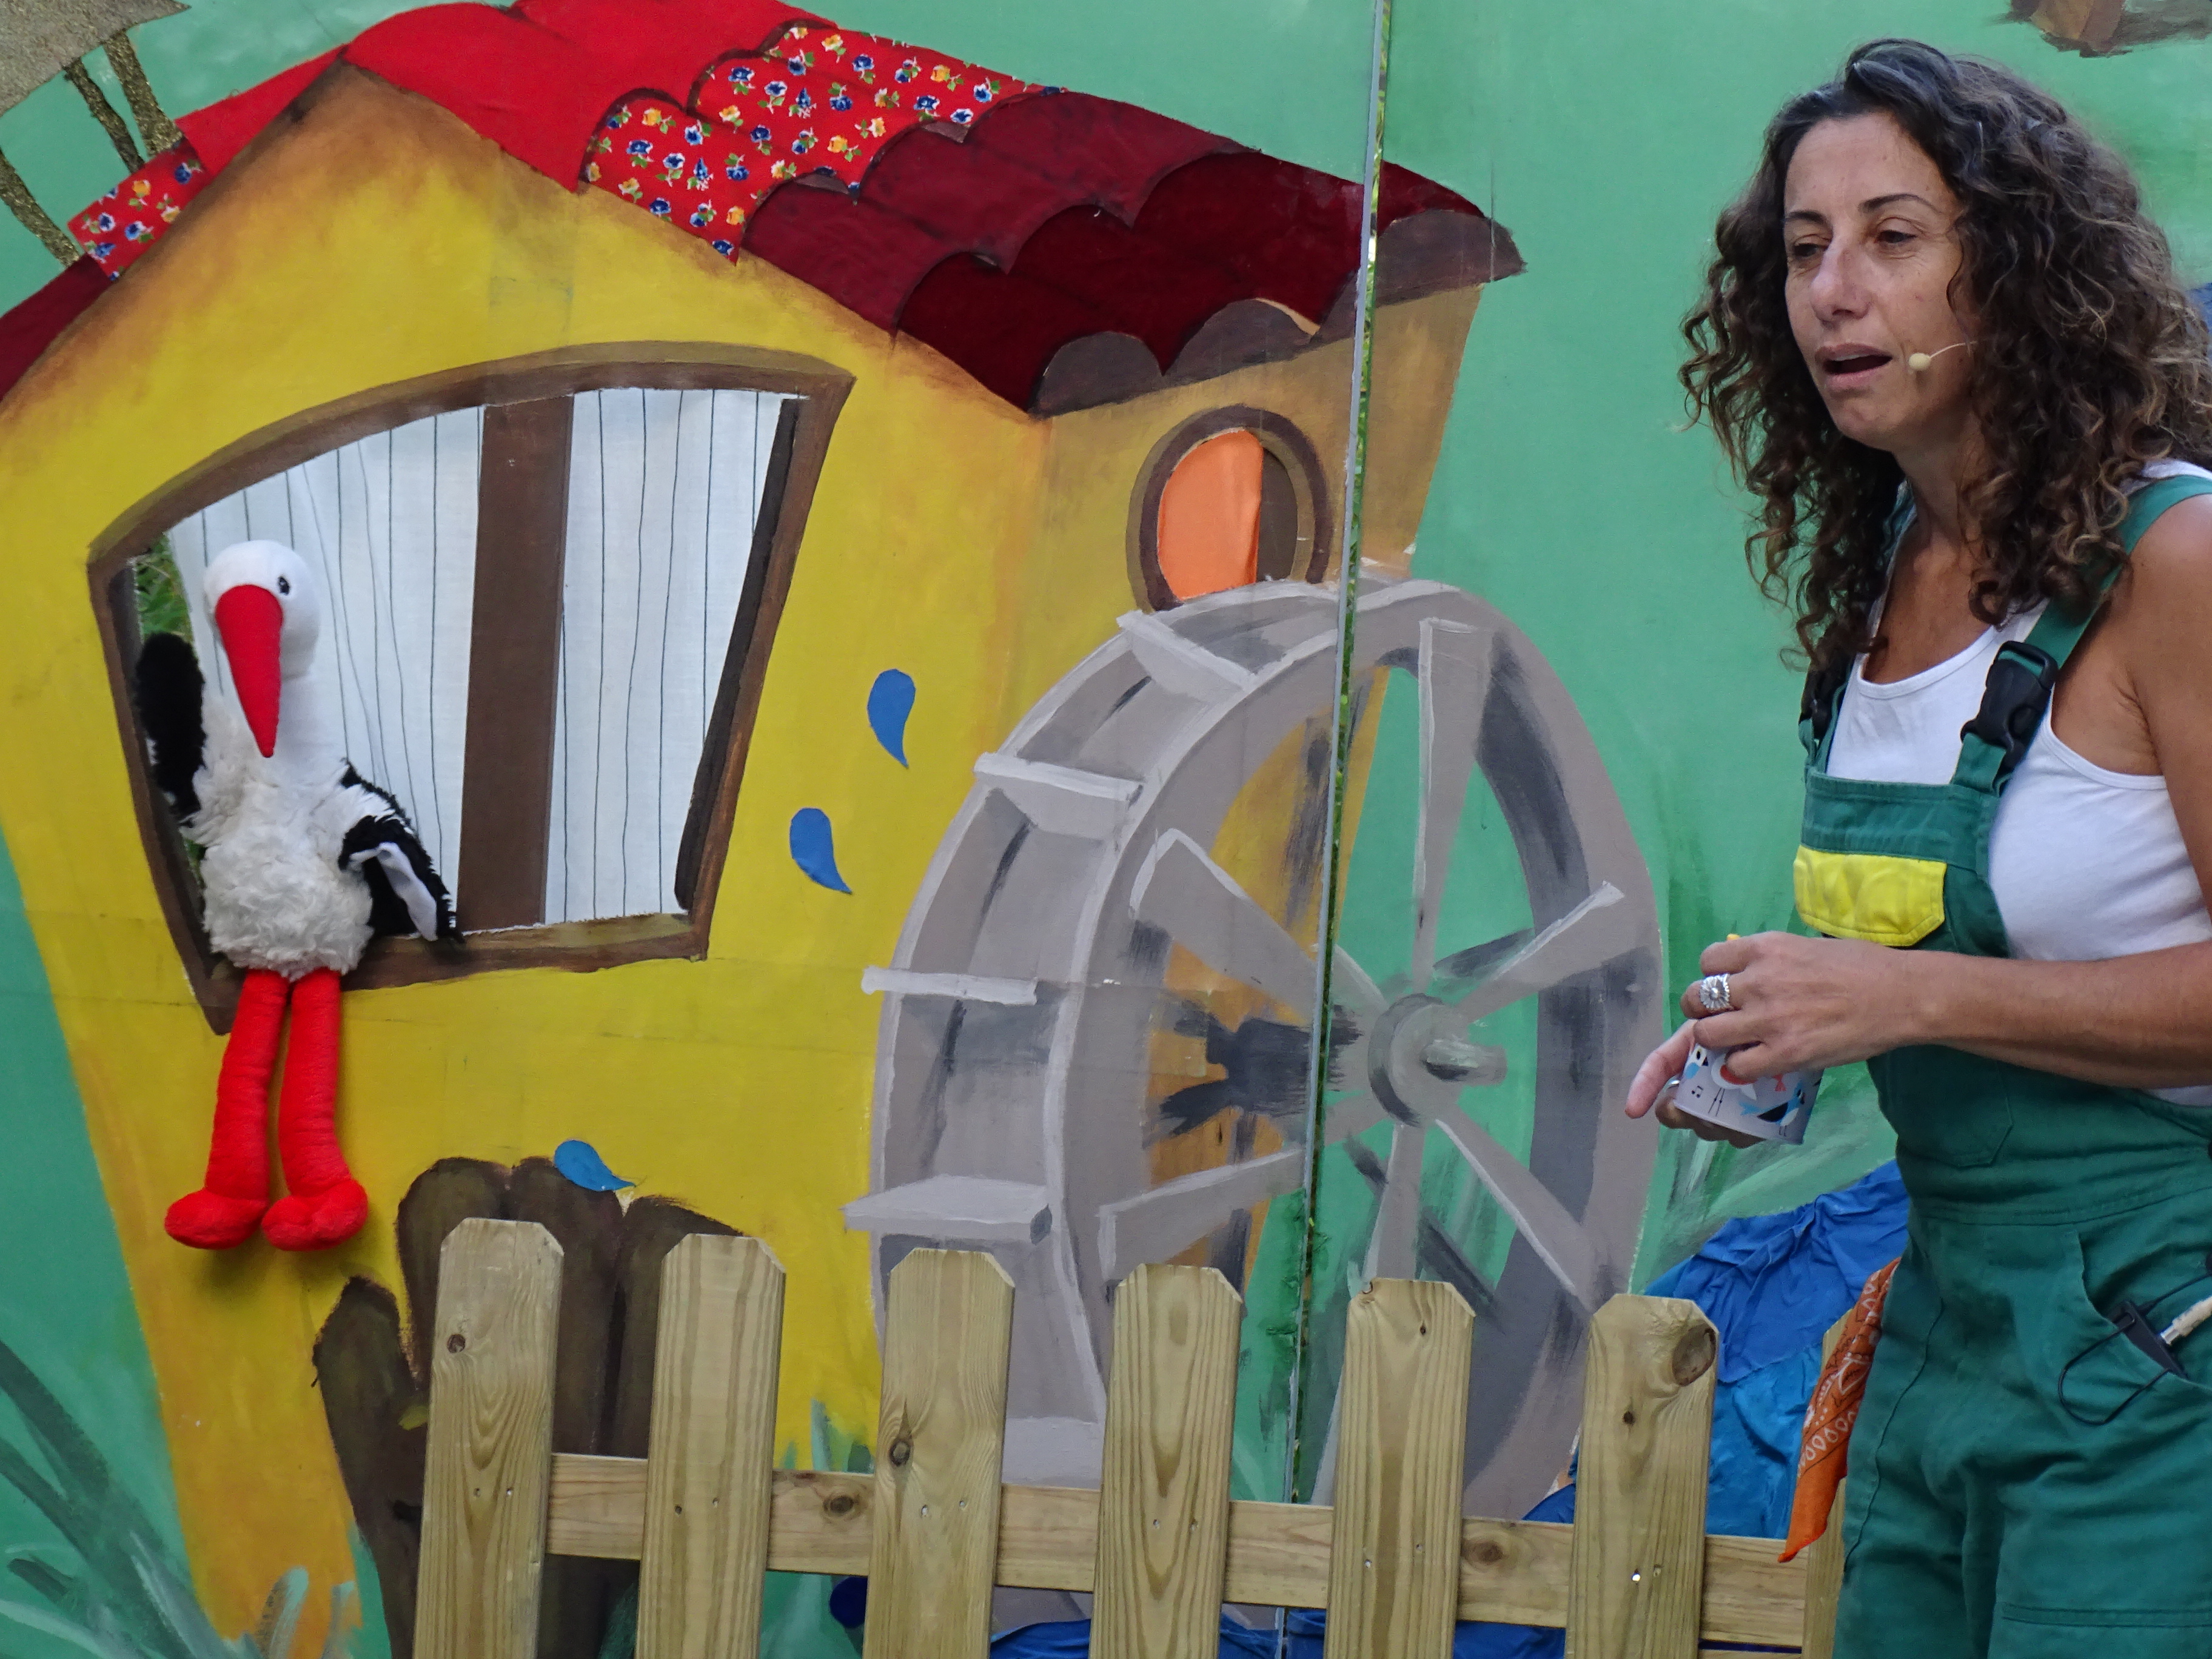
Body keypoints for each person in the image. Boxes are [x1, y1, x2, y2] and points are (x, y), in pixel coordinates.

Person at [1622, 38, 2212, 1657]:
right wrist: (1778, 1022)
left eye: (1894, 239)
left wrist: (1906, 999)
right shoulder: (1885, 562)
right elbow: (1943, 945)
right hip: (1951, 1315)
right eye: (1804, 249)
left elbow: (1940, 982)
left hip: (2166, 1329)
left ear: (2018, 273)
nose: (1835, 293)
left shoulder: (2177, 560)